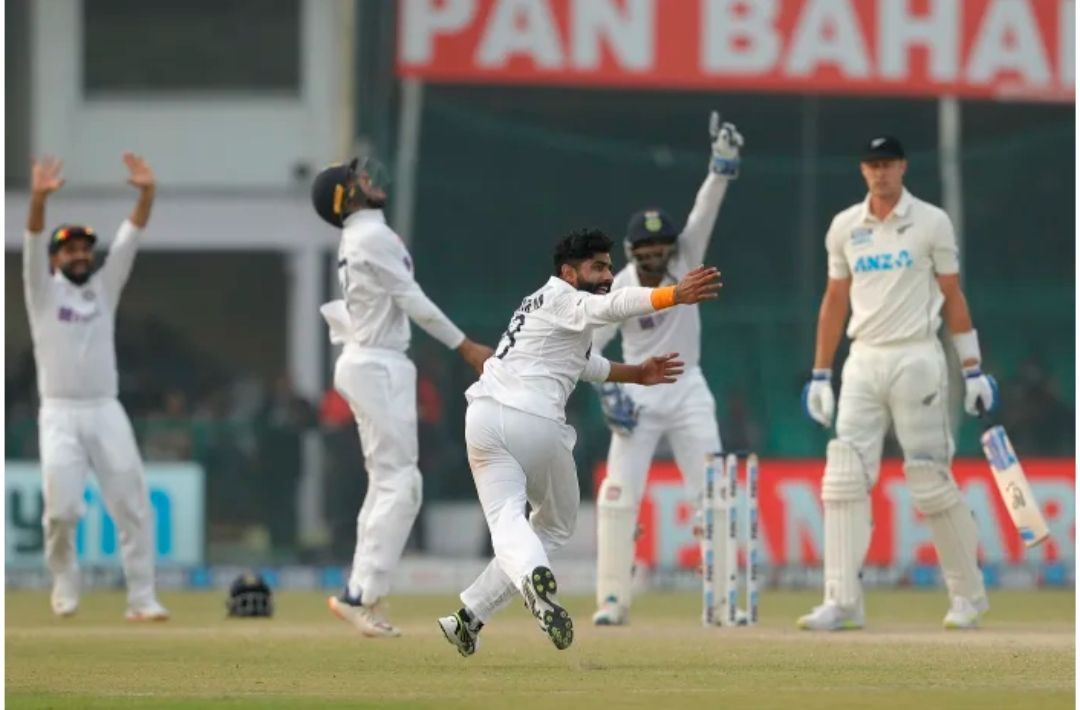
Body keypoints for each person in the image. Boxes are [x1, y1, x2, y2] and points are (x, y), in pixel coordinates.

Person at [437, 228, 722, 656]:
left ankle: (468, 619)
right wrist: (672, 295)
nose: (608, 275)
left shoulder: (540, 303)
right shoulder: (568, 299)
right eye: (598, 267)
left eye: (609, 266)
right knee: (549, 526)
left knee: (512, 521)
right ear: (569, 272)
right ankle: (532, 572)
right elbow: (614, 305)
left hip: (481, 419)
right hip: (533, 421)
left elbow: (583, 363)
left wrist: (637, 373)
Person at [799, 136, 998, 631]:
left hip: (917, 355)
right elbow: (834, 299)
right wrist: (821, 373)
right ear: (863, 170)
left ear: (903, 167)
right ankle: (843, 601)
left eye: (887, 164)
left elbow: (952, 295)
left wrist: (971, 367)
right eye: (871, 165)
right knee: (843, 476)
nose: (879, 172)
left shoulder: (931, 221)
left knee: (929, 478)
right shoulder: (845, 226)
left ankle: (967, 597)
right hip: (863, 358)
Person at [311, 157, 493, 637]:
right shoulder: (371, 236)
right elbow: (412, 300)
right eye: (356, 180)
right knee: (401, 484)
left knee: (386, 482)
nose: (367, 179)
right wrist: (466, 346)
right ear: (345, 198)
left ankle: (361, 593)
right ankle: (361, 594)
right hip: (377, 362)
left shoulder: (362, 235)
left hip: (370, 359)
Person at [590, 113, 743, 625]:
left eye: (665, 248)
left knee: (714, 494)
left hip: (689, 390)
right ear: (633, 253)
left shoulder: (687, 257)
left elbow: (705, 213)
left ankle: (721, 600)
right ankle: (612, 599)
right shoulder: (621, 287)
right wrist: (607, 392)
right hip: (638, 393)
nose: (660, 255)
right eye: (649, 251)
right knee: (617, 497)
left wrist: (721, 168)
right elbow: (590, 344)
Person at [23, 154, 169, 620]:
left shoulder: (104, 288)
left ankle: (142, 599)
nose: (80, 254)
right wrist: (39, 200)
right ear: (55, 259)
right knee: (61, 512)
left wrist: (146, 193)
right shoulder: (41, 292)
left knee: (133, 505)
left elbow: (129, 240)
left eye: (85, 248)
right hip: (60, 413)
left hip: (106, 408)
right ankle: (65, 578)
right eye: (69, 249)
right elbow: (30, 243)